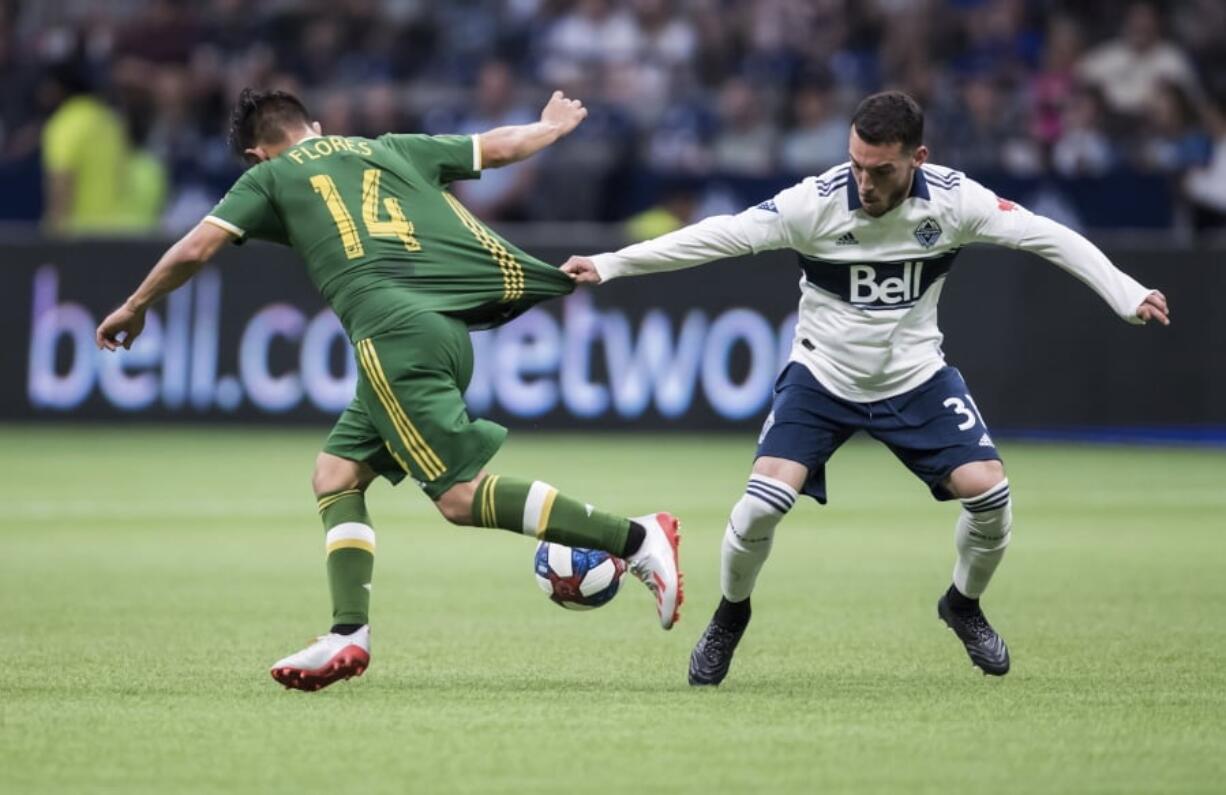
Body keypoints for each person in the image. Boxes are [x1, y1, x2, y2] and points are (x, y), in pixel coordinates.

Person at [562, 90, 1169, 685]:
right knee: (757, 510)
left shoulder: (956, 203)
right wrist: (613, 263)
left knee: (992, 497)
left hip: (916, 377)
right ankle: (731, 616)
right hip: (822, 375)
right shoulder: (814, 205)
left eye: (880, 170)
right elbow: (719, 235)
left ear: (918, 159)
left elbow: (1045, 234)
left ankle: (962, 604)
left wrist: (1126, 292)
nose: (864, 182)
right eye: (856, 165)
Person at [95, 88, 683, 692]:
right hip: (448, 329)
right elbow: (496, 148)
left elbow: (196, 247)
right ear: (317, 125)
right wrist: (549, 128)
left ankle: (636, 539)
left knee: (458, 498)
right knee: (336, 474)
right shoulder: (390, 148)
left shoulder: (268, 179)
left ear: (256, 153)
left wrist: (136, 305)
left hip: (391, 335)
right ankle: (347, 632)